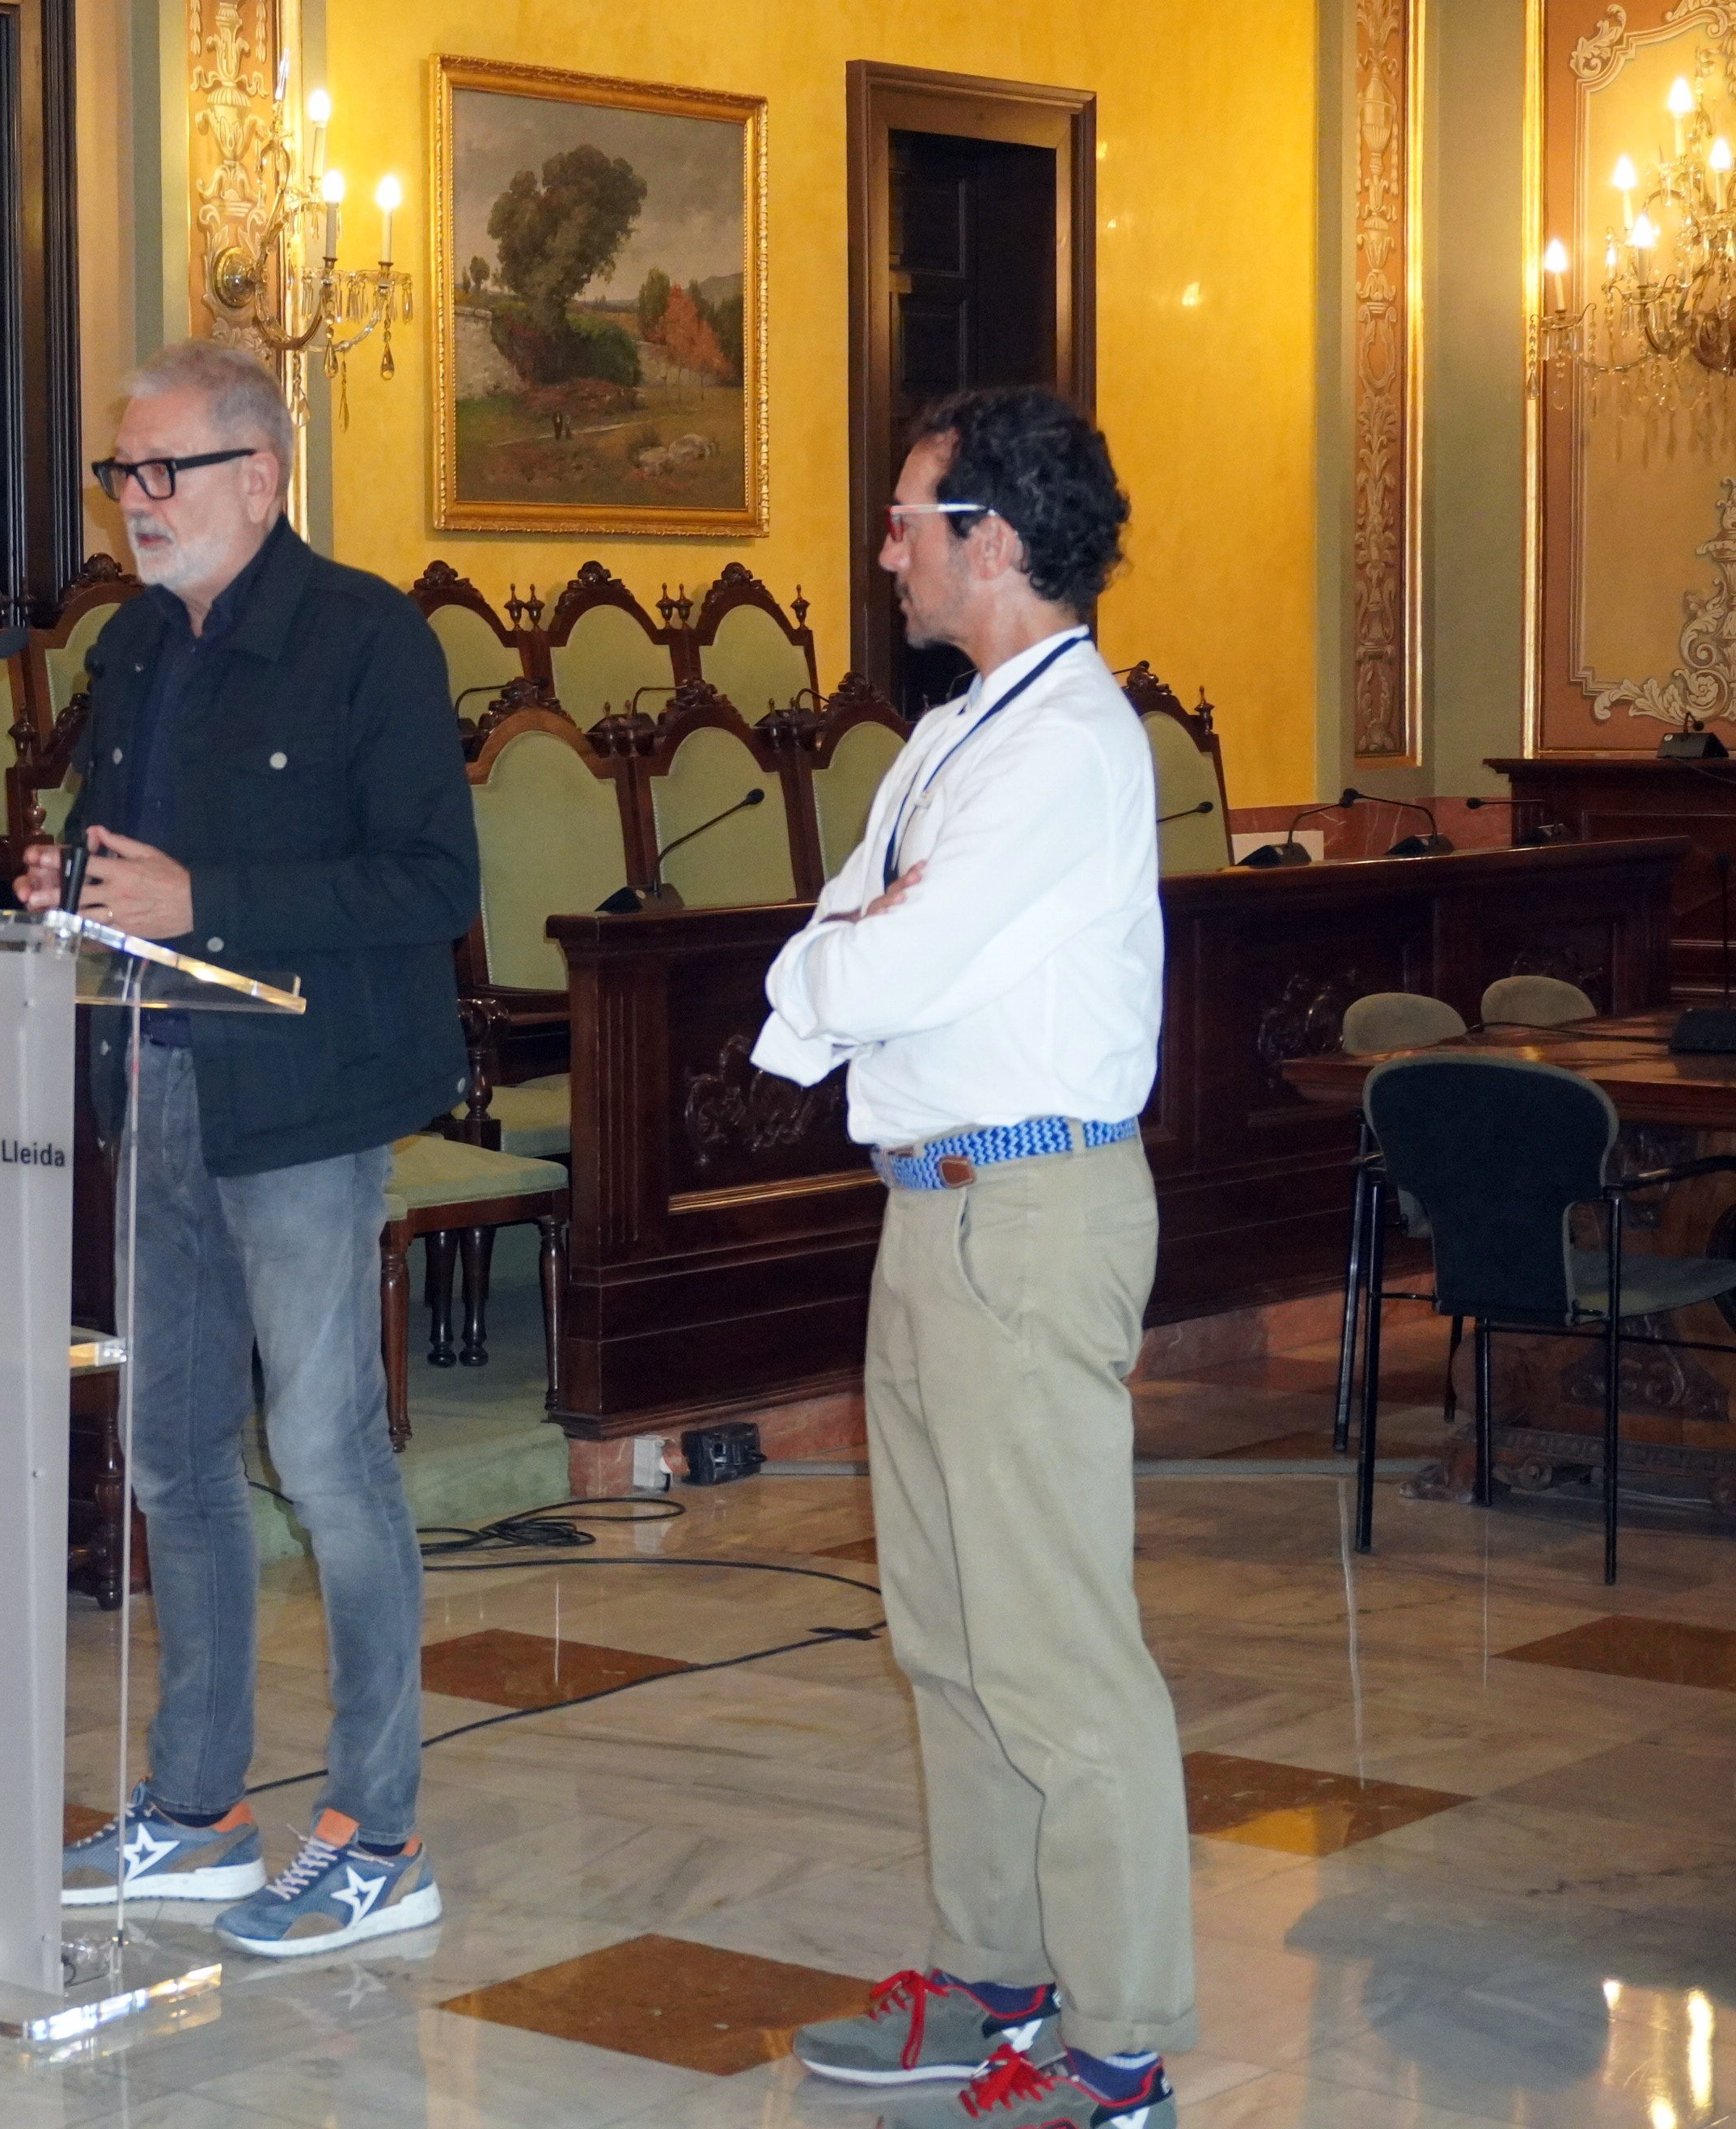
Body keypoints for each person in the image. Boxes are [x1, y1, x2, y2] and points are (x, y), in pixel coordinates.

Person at [15, 339, 477, 1958]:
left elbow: (432, 885)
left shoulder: (363, 639)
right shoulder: (135, 647)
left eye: (162, 472)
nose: (132, 505)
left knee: (331, 1459)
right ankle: (198, 1803)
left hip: (301, 1103)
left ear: (258, 478)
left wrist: (198, 900)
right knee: (171, 1457)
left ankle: (378, 1824)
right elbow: (126, 852)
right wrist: (68, 881)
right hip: (148, 1081)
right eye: (117, 475)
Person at [761, 389, 1187, 2128]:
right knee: (943, 1632)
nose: (882, 550)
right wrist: (848, 954)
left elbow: (869, 969)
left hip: (1029, 1207)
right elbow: (828, 946)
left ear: (987, 539)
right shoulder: (945, 733)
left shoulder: (1067, 742)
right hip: (927, 1202)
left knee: (1054, 1647)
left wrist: (851, 955)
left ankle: (1120, 2044)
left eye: (902, 519)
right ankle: (992, 1973)